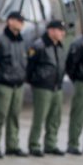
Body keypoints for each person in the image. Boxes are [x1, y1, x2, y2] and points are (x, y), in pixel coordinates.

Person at [0, 11, 29, 157]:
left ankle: (12, 145)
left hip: (18, 85)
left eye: (22, 21)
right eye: (18, 21)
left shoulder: (21, 41)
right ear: (10, 22)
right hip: (3, 84)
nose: (21, 24)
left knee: (14, 116)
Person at [27, 20, 67, 157]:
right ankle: (34, 144)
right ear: (51, 30)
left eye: (63, 30)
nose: (62, 33)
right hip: (43, 87)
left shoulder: (60, 46)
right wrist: (36, 81)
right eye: (59, 30)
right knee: (40, 117)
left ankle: (51, 144)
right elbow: (29, 67)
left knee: (55, 118)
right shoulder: (39, 46)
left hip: (57, 87)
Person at [65, 28, 83, 155]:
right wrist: (77, 78)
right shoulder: (78, 44)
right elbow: (70, 65)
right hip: (82, 82)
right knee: (78, 114)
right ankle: (73, 143)